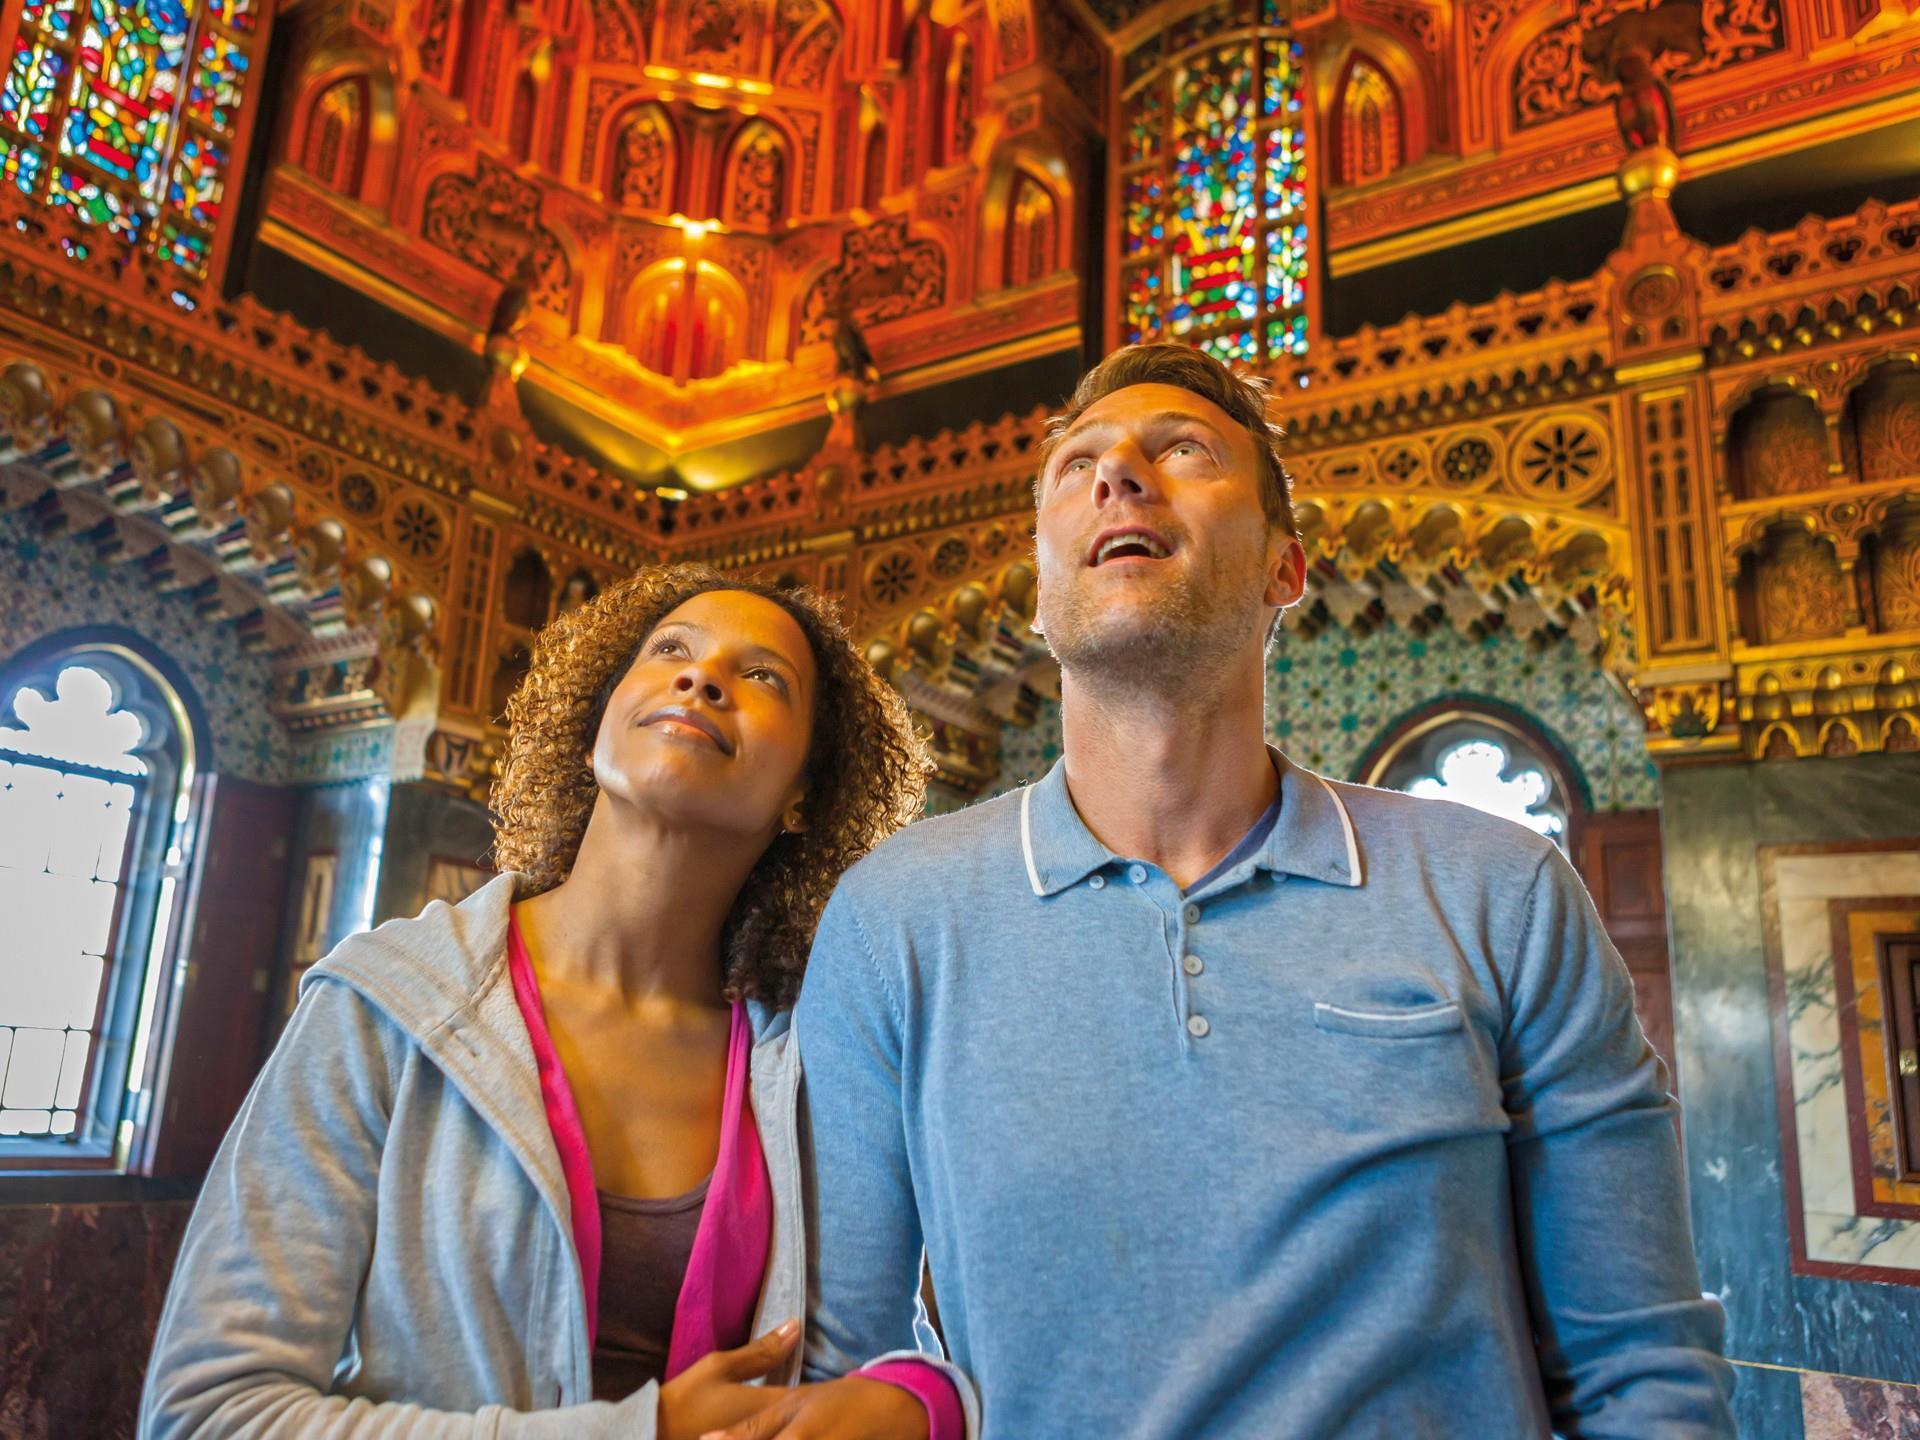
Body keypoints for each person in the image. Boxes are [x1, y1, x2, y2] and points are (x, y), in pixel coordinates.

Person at [716, 344, 1736, 1438]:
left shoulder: (1501, 894)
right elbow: (847, 1369)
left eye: (1183, 450)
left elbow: (1643, 1373)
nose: (1119, 475)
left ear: (1282, 569)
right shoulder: (893, 920)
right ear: (1042, 593)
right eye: (1078, 465)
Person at [141, 568, 975, 1440]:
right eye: (670, 651)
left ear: (806, 794)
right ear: (595, 728)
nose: (702, 678)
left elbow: (870, 1362)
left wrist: (925, 1401)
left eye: (764, 676)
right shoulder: (387, 1006)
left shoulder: (811, 1059)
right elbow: (206, 1413)